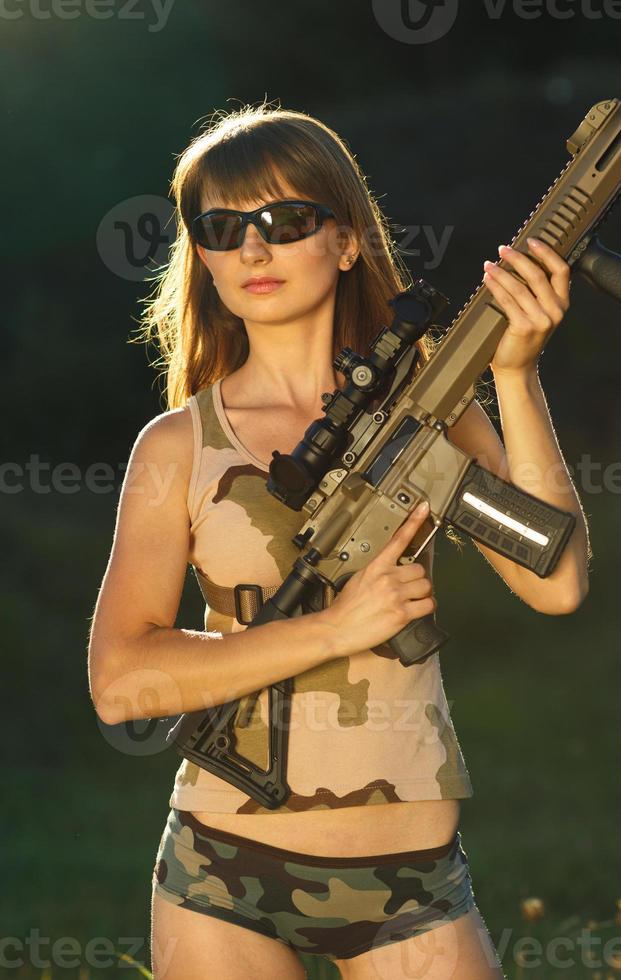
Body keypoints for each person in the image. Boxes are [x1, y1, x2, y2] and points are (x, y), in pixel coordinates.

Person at [87, 102, 590, 980]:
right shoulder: (178, 446)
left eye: (286, 221)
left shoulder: (429, 414)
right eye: (223, 227)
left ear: (349, 240)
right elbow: (122, 681)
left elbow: (560, 584)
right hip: (220, 871)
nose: (253, 249)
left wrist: (516, 374)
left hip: (408, 880)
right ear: (201, 257)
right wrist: (331, 630)